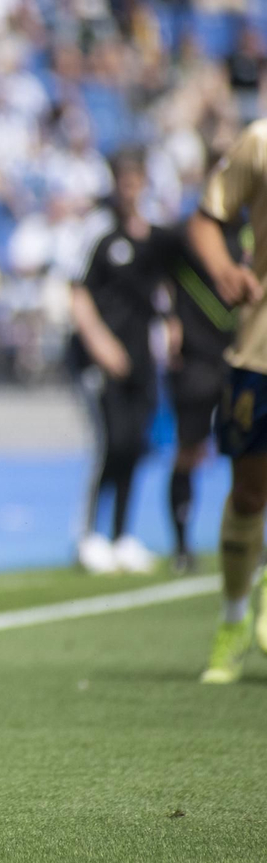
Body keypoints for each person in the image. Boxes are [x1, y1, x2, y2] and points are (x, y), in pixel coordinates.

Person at [69, 151, 180, 575]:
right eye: (124, 181)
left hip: (141, 353)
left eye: (137, 181)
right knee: (111, 443)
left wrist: (170, 326)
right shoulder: (98, 231)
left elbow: (164, 288)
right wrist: (100, 343)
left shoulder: (154, 234)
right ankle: (90, 535)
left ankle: (122, 535)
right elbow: (78, 291)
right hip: (104, 354)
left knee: (135, 444)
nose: (131, 190)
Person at [187, 119, 267, 683]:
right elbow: (206, 219)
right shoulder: (260, 142)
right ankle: (234, 620)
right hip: (260, 350)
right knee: (249, 493)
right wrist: (222, 269)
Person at [163, 216, 246, 574]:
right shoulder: (186, 233)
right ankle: (182, 546)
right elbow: (152, 265)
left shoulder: (251, 230)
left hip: (243, 358)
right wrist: (167, 317)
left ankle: (249, 541)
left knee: (251, 456)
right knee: (189, 451)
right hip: (196, 361)